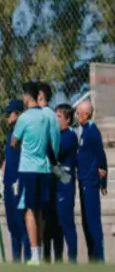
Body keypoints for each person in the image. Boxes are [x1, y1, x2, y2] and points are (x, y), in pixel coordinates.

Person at [11, 81, 55, 266]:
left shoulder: (25, 118)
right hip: (43, 169)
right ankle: (40, 252)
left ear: (27, 96)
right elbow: (50, 143)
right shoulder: (46, 116)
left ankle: (35, 255)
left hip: (28, 169)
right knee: (38, 211)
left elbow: (14, 142)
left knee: (29, 211)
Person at [76, 100, 108, 262]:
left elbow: (101, 156)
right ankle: (92, 257)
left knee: (93, 221)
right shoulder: (84, 131)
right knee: (86, 221)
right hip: (83, 181)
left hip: (90, 182)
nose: (77, 115)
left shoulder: (92, 132)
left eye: (79, 113)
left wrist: (103, 182)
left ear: (86, 114)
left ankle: (98, 258)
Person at [2, 99, 30, 263]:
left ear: (17, 114)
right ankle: (15, 259)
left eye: (9, 114)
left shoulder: (23, 133)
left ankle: (26, 258)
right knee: (12, 223)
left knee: (21, 222)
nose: (7, 118)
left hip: (19, 181)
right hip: (8, 181)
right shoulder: (10, 134)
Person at [38, 82, 63, 263]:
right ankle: (57, 256)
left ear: (40, 96)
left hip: (44, 169)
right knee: (53, 216)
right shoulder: (54, 116)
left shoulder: (42, 116)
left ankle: (45, 256)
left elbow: (46, 144)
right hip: (52, 171)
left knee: (44, 216)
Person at [55, 103, 78, 263]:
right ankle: (57, 259)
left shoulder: (69, 136)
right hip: (55, 184)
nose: (56, 120)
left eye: (58, 117)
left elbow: (57, 153)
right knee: (55, 226)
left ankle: (72, 259)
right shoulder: (58, 134)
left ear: (67, 119)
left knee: (66, 223)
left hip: (65, 184)